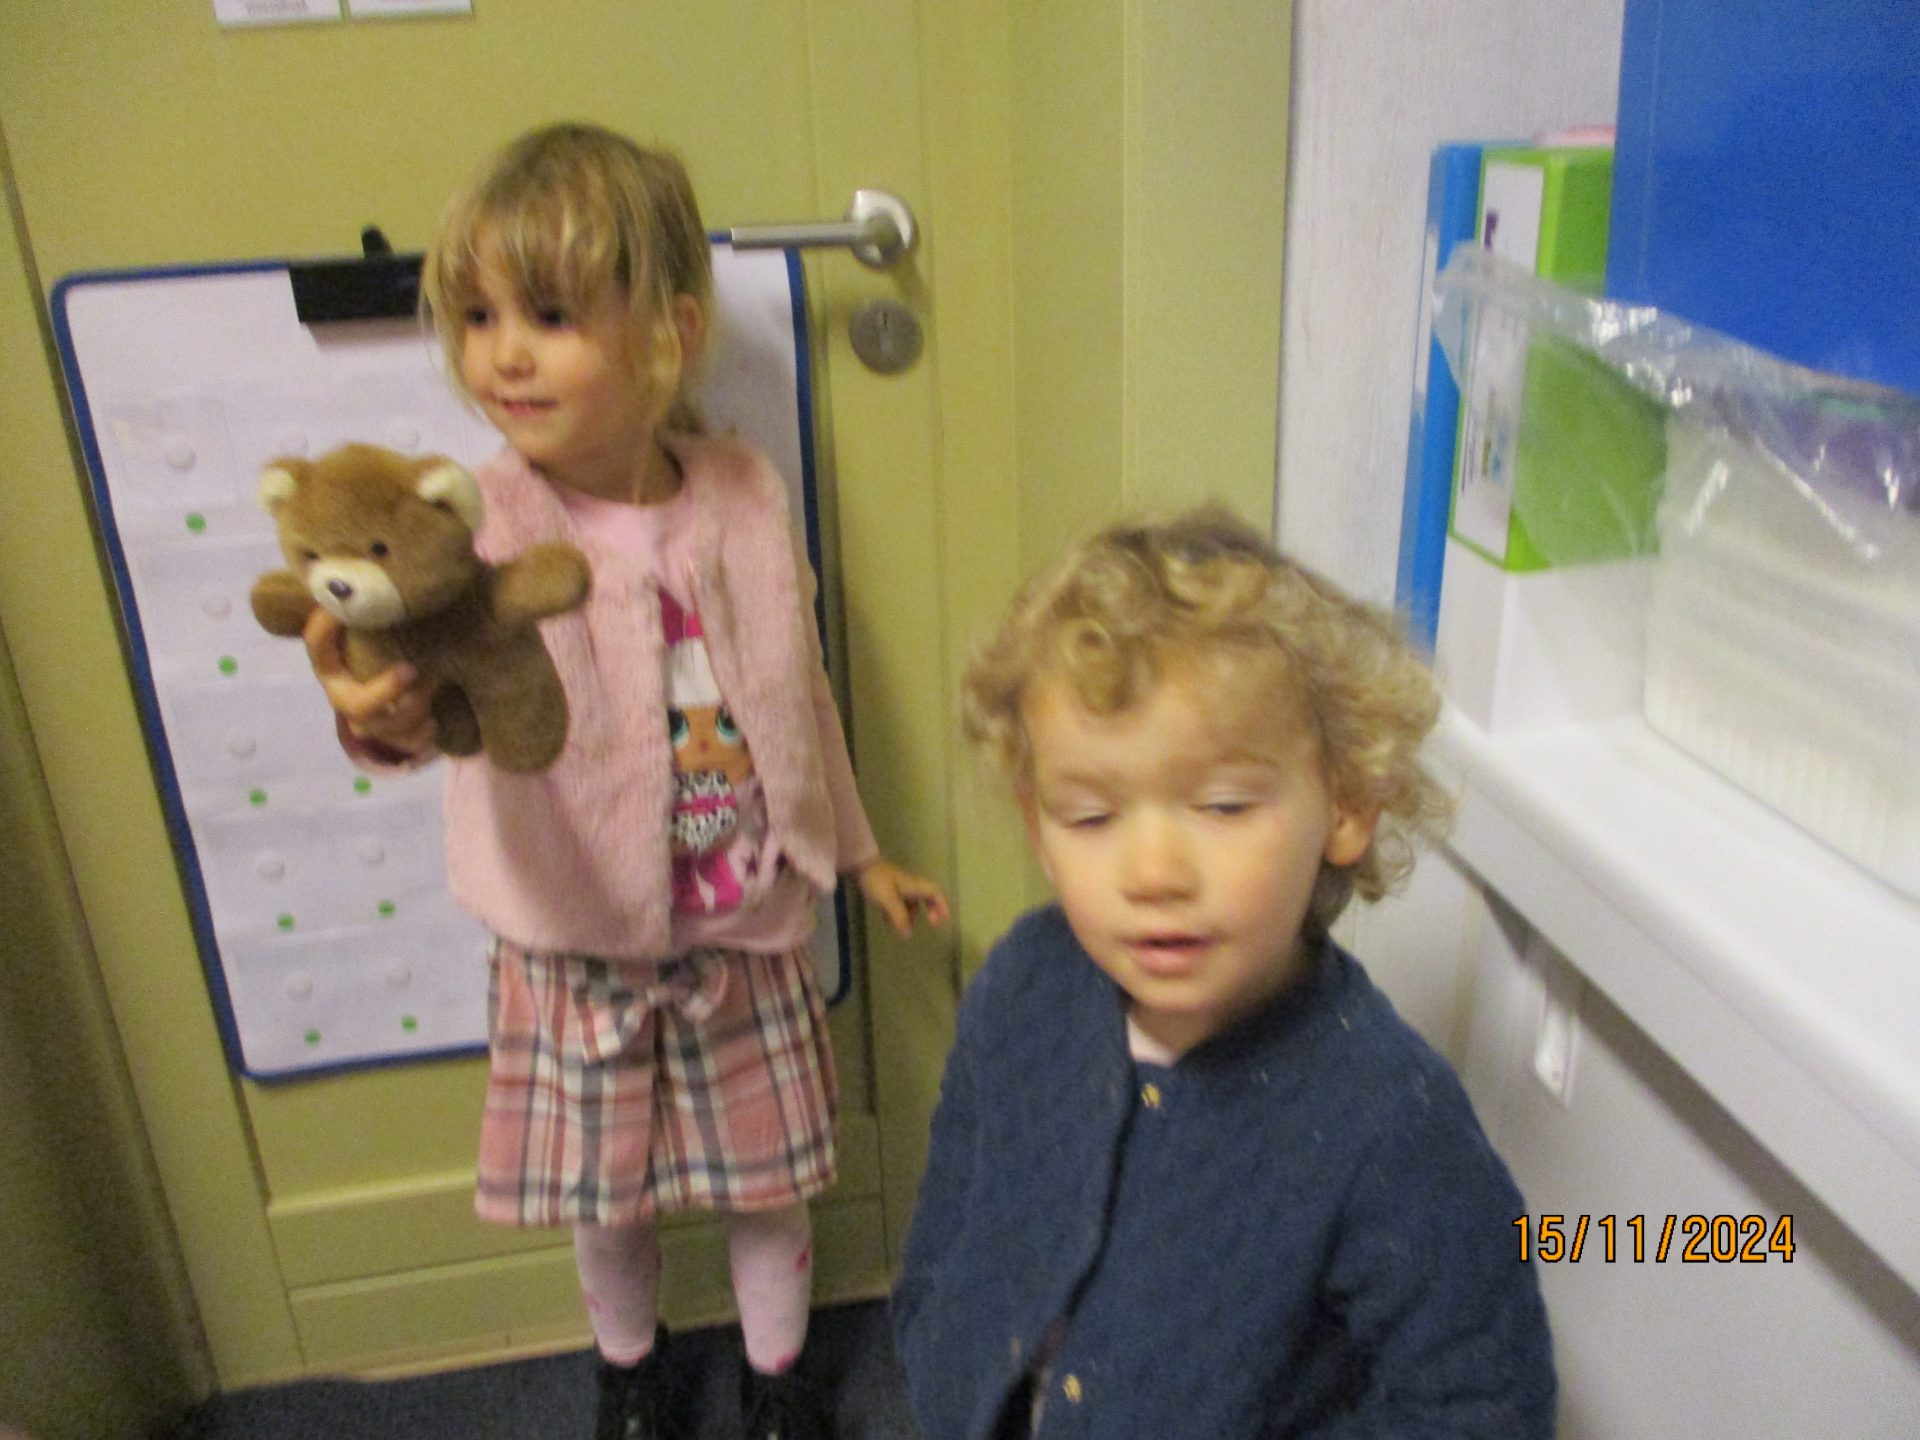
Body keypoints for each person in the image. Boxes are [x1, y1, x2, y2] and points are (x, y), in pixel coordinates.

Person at [301, 122, 949, 1440]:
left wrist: (860, 851)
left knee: (770, 1184)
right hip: (579, 937)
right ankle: (628, 1374)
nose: (504, 354)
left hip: (743, 927)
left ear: (668, 334)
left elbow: (799, 689)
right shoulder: (474, 524)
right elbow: (430, 706)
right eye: (478, 317)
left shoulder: (742, 491)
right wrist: (378, 716)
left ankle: (780, 1384)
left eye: (548, 316)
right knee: (609, 1199)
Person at [894, 507, 1554, 1438]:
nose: (1153, 873)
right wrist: (936, 1350)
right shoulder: (1024, 983)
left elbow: (1479, 1408)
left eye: (1224, 804)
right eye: (1090, 817)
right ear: (1039, 828)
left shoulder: (1390, 1122)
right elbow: (955, 1211)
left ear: (1347, 803)